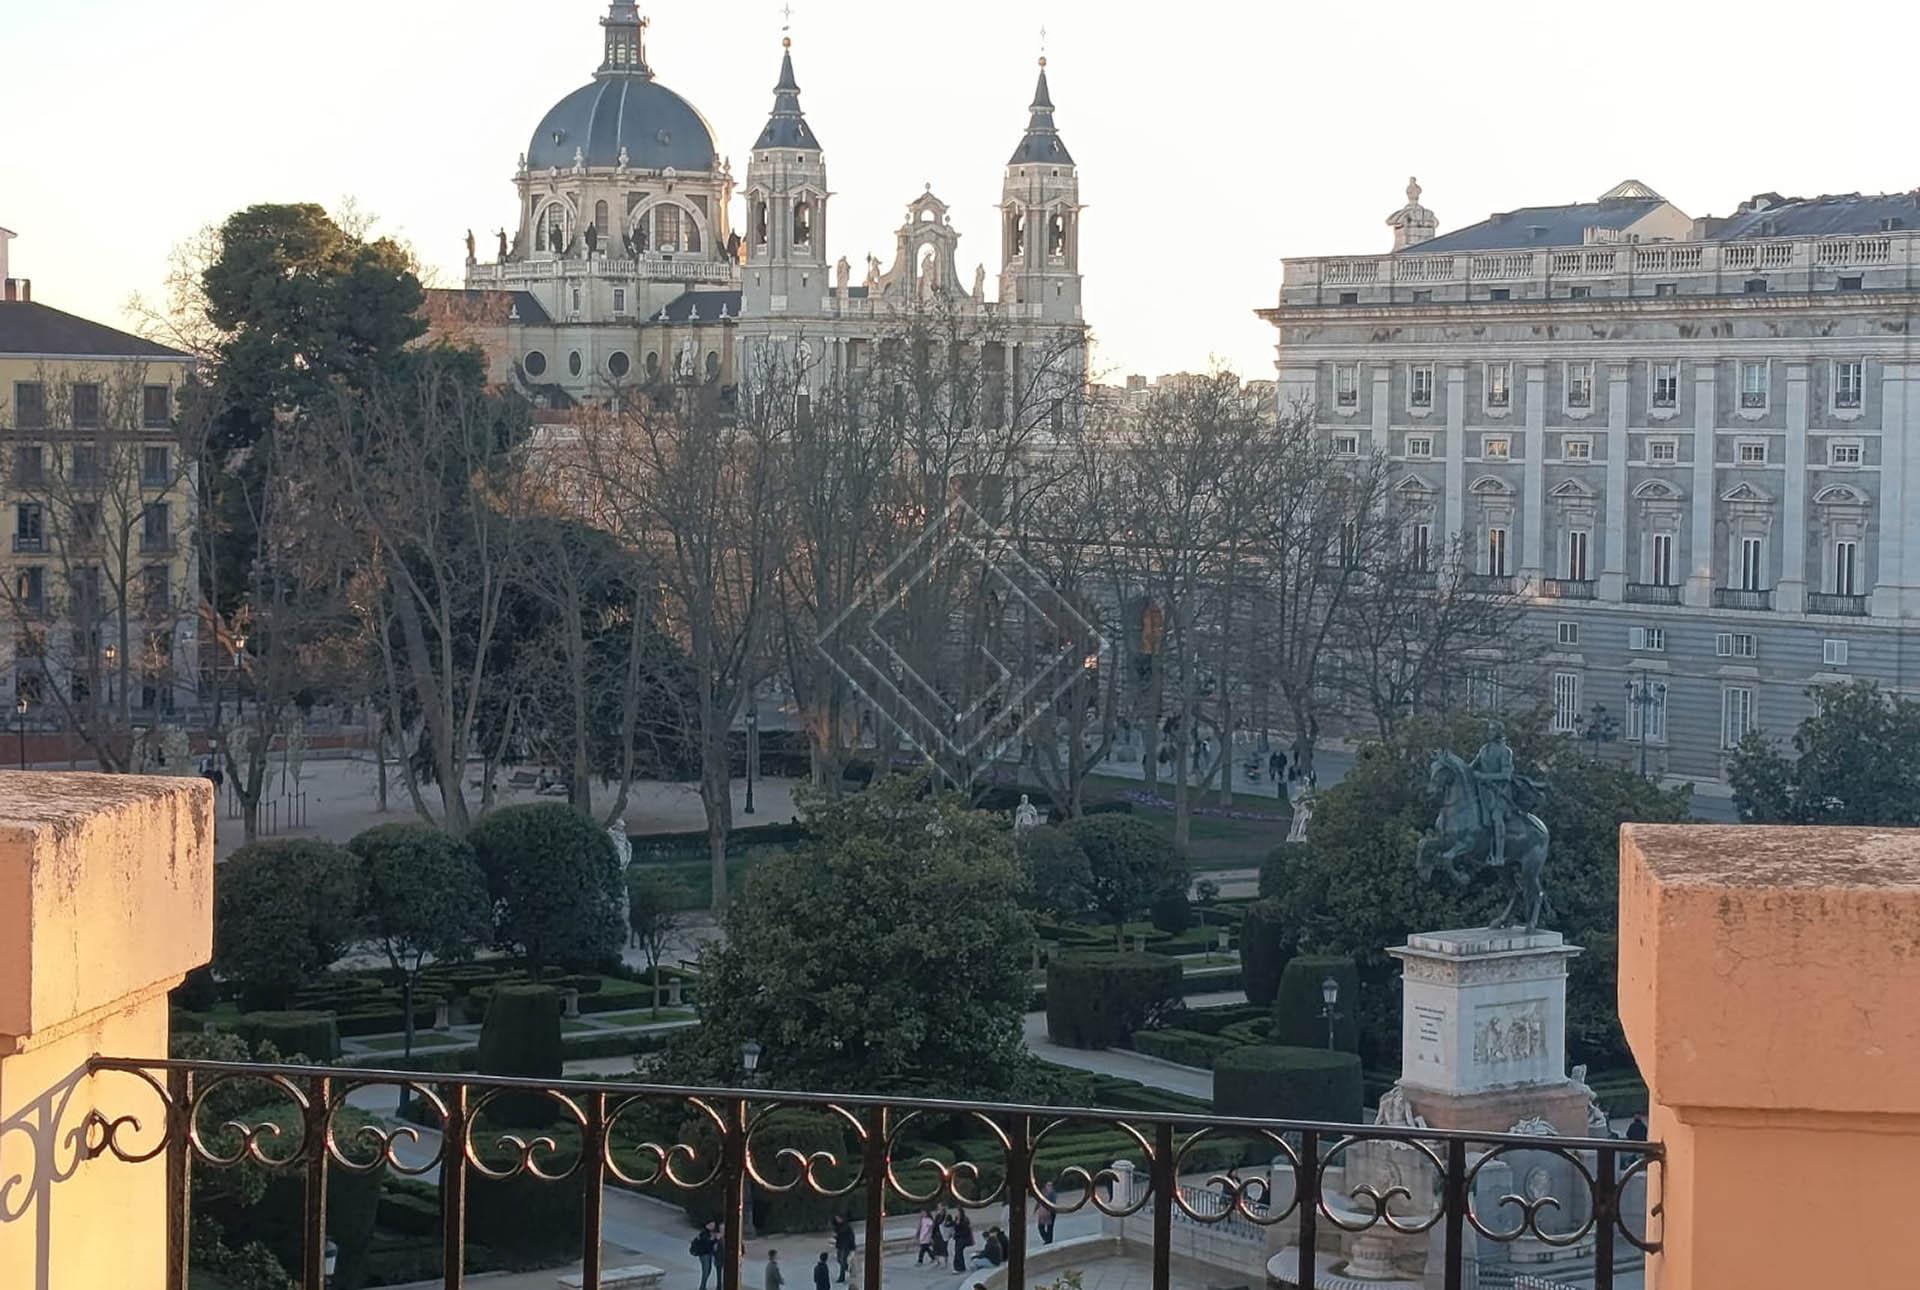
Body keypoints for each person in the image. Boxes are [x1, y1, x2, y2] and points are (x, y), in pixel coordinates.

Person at [1470, 720, 1516, 865]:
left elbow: (1506, 775)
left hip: (1499, 792)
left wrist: (1484, 776)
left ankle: (1499, 856)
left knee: (1497, 818)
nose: (1488, 733)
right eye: (1488, 730)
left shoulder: (1505, 751)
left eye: (1492, 730)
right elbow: (1472, 766)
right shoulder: (1483, 749)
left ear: (1498, 733)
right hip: (1483, 791)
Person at [691, 1222, 718, 1290]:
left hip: (708, 1254)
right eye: (711, 1225)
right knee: (706, 1271)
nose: (713, 1226)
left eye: (713, 1225)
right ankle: (702, 1287)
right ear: (707, 1225)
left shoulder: (710, 1233)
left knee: (708, 1270)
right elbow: (706, 1244)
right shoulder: (704, 1233)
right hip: (704, 1254)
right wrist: (712, 1240)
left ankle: (703, 1286)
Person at [831, 1215, 855, 1283]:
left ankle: (841, 1278)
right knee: (839, 1260)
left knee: (842, 1261)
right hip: (840, 1246)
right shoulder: (837, 1226)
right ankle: (849, 1269)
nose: (837, 1219)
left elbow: (850, 1236)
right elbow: (838, 1235)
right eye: (836, 1218)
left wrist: (852, 1246)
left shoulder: (846, 1226)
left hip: (846, 1246)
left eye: (838, 1218)